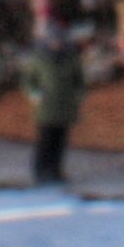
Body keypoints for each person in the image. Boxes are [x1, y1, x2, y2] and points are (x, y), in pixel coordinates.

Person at [24, 15, 86, 187]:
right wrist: (34, 93)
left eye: (59, 40)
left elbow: (79, 78)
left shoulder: (71, 58)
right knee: (46, 140)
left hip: (65, 106)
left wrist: (79, 92)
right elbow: (29, 80)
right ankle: (41, 171)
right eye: (53, 40)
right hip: (46, 107)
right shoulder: (38, 58)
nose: (56, 43)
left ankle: (56, 171)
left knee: (60, 141)